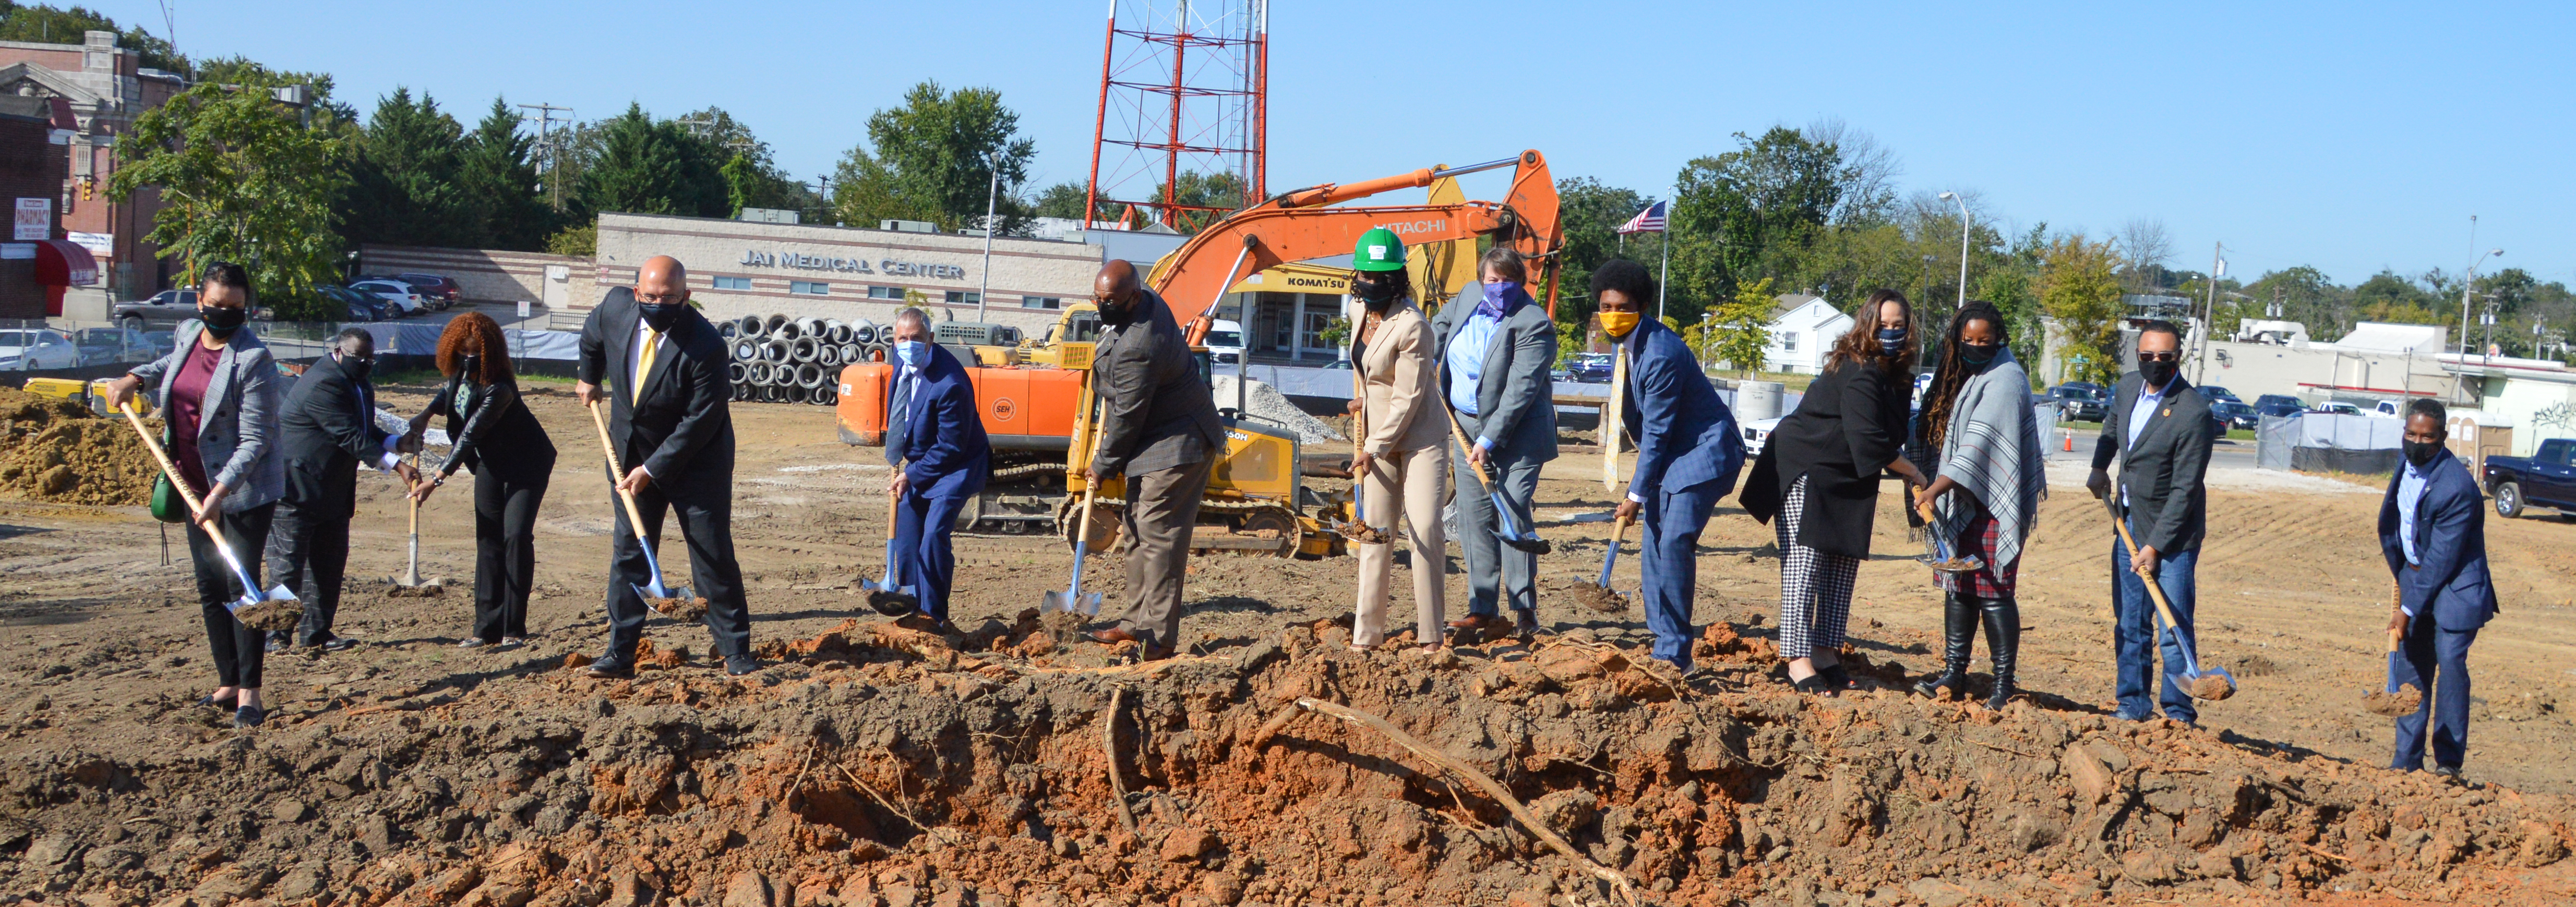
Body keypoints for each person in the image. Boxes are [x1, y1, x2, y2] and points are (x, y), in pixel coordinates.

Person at [104, 262, 286, 728]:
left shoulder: (254, 360)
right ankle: (227, 680)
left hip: (240, 490)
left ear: (246, 308)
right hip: (189, 481)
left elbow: (256, 441)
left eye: (235, 307)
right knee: (209, 584)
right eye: (217, 305)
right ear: (200, 301)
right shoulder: (188, 331)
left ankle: (251, 692)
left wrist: (221, 493)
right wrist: (135, 378)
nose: (225, 314)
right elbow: (172, 367)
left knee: (241, 586)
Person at [574, 256, 759, 678]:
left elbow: (702, 420)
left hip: (697, 461)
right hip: (628, 454)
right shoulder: (616, 309)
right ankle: (620, 653)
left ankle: (735, 652)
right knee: (631, 552)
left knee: (710, 552)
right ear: (637, 293)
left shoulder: (706, 344)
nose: (661, 304)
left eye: (671, 298)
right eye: (653, 297)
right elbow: (590, 337)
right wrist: (589, 375)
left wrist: (653, 469)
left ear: (686, 297)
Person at [1740, 289, 1927, 695]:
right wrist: (1913, 472)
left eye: (1898, 326)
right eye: (1883, 325)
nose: (1890, 333)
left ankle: (1825, 652)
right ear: (1867, 325)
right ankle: (1796, 659)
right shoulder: (1858, 369)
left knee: (1843, 564)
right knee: (1805, 565)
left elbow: (1889, 433)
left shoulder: (1895, 374)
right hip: (1807, 465)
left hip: (1849, 474)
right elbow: (1870, 439)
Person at [1597, 260, 1744, 673]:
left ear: (1643, 305)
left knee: (1674, 540)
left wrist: (1634, 494)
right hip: (1670, 454)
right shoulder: (1626, 344)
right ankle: (1663, 640)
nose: (1612, 314)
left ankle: (1675, 654)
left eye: (1622, 306)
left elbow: (1657, 433)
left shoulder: (1661, 353)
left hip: (1704, 453)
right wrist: (1640, 490)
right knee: (1653, 542)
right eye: (1605, 306)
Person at [1081, 260, 1226, 660]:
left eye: (1111, 300)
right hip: (1153, 436)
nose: (1103, 306)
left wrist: (1102, 464)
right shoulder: (1146, 303)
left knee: (1157, 530)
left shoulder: (1139, 346)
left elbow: (1126, 418)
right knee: (1133, 528)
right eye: (1098, 299)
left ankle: (1158, 637)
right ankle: (1133, 622)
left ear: (1134, 298)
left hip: (1180, 439)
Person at [1906, 301, 2046, 709]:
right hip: (1967, 498)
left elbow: (1976, 446)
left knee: (1994, 590)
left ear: (1998, 339)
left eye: (1983, 341)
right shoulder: (1978, 374)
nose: (1973, 346)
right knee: (1960, 586)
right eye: (1967, 340)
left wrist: (1934, 489)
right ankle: (1955, 672)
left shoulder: (2004, 378)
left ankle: (2003, 683)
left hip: (1992, 504)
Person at [2087, 320, 2216, 724]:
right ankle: (2132, 704)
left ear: (2178, 357)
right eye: (2147, 356)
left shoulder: (2193, 411)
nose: (2155, 363)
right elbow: (2111, 428)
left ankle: (2178, 712)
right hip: (2128, 525)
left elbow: (2185, 489)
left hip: (2172, 536)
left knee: (2171, 624)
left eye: (2165, 357)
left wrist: (2155, 546)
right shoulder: (2127, 388)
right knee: (2129, 622)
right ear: (2137, 356)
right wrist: (2098, 467)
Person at [1432, 248, 1560, 646]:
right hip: (1465, 425)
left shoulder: (1534, 323)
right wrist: (1424, 353)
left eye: (1509, 281)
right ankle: (1481, 607)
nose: (1499, 288)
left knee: (1513, 512)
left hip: (1518, 434)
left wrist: (1488, 442)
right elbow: (1439, 325)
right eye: (1493, 280)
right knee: (1474, 518)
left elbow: (1520, 391)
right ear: (1481, 278)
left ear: (1521, 282)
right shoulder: (1468, 296)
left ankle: (1524, 609)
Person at [266, 327, 421, 653]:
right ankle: (274, 637)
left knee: (328, 564)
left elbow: (363, 428)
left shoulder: (358, 381)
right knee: (287, 567)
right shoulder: (323, 381)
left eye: (370, 358)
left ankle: (317, 634)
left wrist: (396, 443)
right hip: (296, 487)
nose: (364, 363)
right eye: (358, 357)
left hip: (332, 489)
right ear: (338, 351)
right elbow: (347, 434)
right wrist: (397, 466)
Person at [406, 313, 556, 649]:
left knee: (515, 537)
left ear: (490, 353)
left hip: (526, 465)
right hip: (491, 464)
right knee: (488, 541)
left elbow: (470, 435)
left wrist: (437, 478)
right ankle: (485, 627)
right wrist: (425, 415)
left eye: (474, 354)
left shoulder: (500, 388)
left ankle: (514, 628)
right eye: (461, 352)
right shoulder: (461, 374)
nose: (467, 359)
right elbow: (448, 394)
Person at [1343, 229, 1448, 652]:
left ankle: (1431, 635)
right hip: (1376, 436)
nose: (1371, 282)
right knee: (1375, 533)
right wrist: (1362, 400)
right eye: (1365, 273)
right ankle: (1366, 636)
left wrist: (1372, 447)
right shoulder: (1356, 311)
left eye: (1381, 275)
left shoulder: (1414, 326)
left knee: (1423, 528)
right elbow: (1364, 367)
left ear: (1398, 278)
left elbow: (1407, 399)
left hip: (1420, 438)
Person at [2379, 398, 2496, 779]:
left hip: (2457, 589)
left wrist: (2407, 608)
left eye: (2427, 436)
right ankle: (2406, 761)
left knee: (2449, 663)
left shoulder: (2456, 487)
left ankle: (2447, 762)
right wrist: (2401, 575)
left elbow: (2442, 559)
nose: (2417, 442)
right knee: (2413, 669)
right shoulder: (2405, 462)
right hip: (2416, 577)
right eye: (2411, 434)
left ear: (2443, 438)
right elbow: (2399, 522)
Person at [881, 307, 990, 630]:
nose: (909, 344)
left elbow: (951, 447)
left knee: (933, 535)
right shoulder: (902, 359)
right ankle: (913, 603)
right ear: (895, 339)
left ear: (930, 340)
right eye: (903, 338)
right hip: (923, 460)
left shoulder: (950, 383)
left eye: (916, 339)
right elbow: (902, 408)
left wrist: (911, 474)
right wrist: (900, 457)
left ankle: (936, 616)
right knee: (908, 533)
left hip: (958, 465)